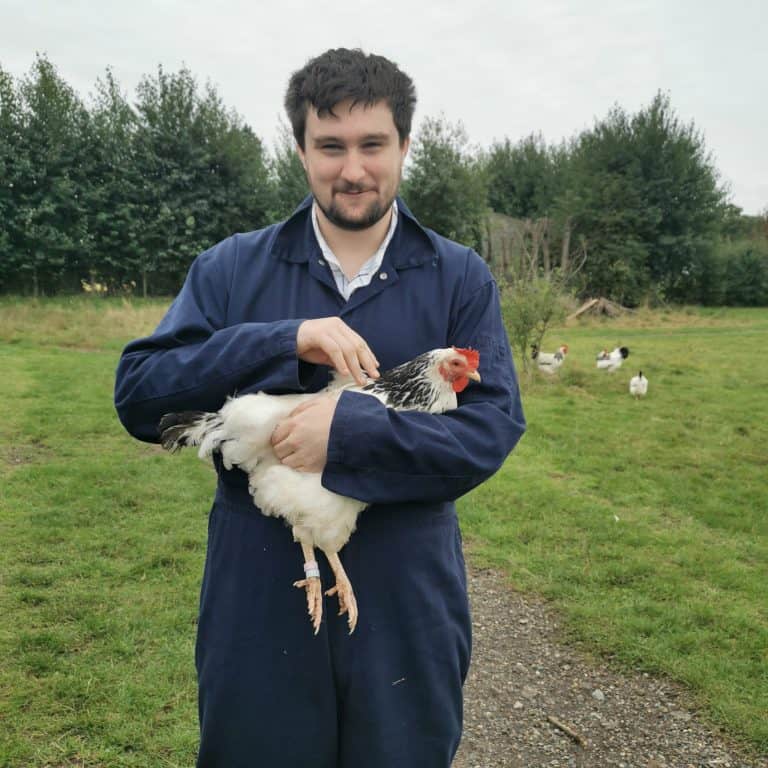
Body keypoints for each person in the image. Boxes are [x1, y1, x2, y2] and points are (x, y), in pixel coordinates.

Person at [114, 47, 525, 768]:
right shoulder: (232, 269)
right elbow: (141, 395)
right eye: (330, 146)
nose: (354, 169)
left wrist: (352, 429)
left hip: (407, 587)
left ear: (404, 144)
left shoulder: (459, 277)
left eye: (373, 144)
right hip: (258, 583)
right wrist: (284, 339)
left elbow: (490, 430)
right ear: (301, 150)